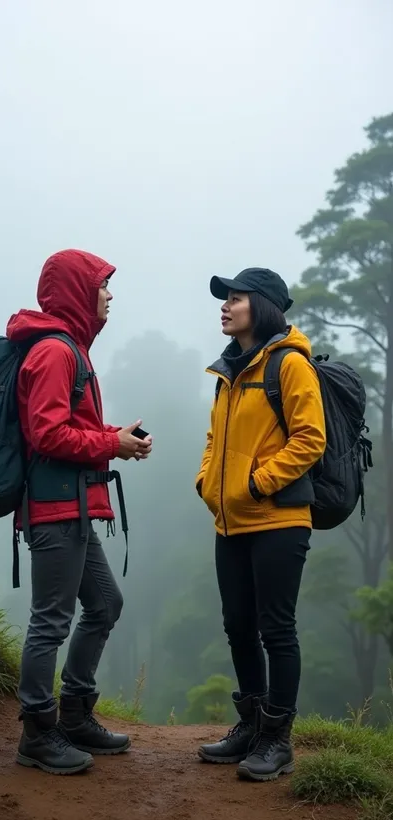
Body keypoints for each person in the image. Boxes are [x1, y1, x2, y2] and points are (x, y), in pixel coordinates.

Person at [6, 249, 152, 775]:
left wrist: (115, 441)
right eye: (103, 286)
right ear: (76, 291)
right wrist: (113, 443)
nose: (110, 296)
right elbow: (47, 433)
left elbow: (66, 429)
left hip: (75, 508)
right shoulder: (54, 353)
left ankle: (75, 716)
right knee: (51, 623)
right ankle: (38, 733)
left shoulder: (71, 350)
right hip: (54, 510)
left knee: (105, 604)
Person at [196, 267, 326, 782]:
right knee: (237, 627)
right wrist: (209, 483)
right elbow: (214, 440)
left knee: (277, 630)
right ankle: (251, 726)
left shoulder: (290, 364)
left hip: (278, 520)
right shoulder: (229, 370)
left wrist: (256, 484)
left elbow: (309, 439)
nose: (225, 306)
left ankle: (277, 740)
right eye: (224, 299)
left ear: (265, 306)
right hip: (230, 524)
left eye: (237, 298)